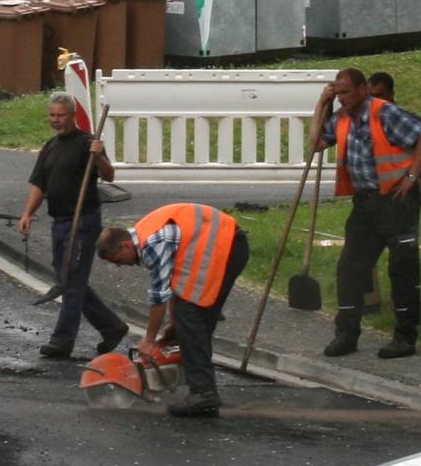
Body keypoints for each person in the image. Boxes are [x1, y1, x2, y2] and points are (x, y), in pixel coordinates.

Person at [312, 67, 421, 359]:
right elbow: (316, 144)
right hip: (365, 202)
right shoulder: (341, 119)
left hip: (396, 200)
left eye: (346, 93)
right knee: (350, 268)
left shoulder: (384, 113)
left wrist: (412, 177)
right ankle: (347, 334)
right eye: (338, 94)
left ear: (362, 89)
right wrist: (321, 104)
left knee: (402, 268)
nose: (341, 99)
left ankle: (405, 337)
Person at [97, 203, 248, 418]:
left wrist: (149, 340)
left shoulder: (152, 243)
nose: (121, 266)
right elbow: (175, 283)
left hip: (226, 247)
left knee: (191, 316)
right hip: (220, 245)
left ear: (125, 246)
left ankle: (204, 393)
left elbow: (159, 297)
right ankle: (202, 388)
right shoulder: (144, 236)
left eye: (118, 261)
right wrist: (172, 325)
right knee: (188, 318)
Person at [14, 92, 129, 360]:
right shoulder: (50, 147)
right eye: (52, 115)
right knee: (67, 280)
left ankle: (62, 340)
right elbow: (39, 183)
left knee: (72, 281)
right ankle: (112, 327)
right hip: (60, 222)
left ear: (72, 115)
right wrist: (27, 213)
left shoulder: (88, 143)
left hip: (83, 222)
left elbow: (109, 175)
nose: (55, 120)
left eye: (60, 115)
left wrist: (100, 156)